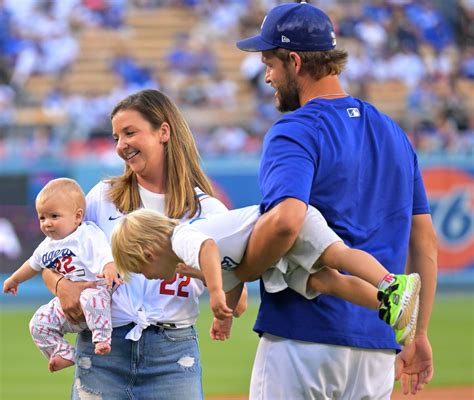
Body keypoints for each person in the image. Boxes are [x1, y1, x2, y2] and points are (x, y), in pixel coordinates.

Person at [235, 2, 438, 399]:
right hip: (376, 348)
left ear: (294, 61)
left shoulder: (294, 129)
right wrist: (418, 331)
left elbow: (286, 221)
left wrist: (242, 270)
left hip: (303, 337)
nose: (268, 77)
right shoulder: (394, 133)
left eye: (270, 64)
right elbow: (425, 241)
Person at [41, 89, 230, 400]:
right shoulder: (101, 198)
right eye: (116, 137)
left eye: (130, 132)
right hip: (102, 351)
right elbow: (49, 258)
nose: (121, 146)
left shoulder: (208, 211)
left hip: (173, 354)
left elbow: (236, 281)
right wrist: (62, 285)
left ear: (163, 132)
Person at [111, 205, 420, 344]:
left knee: (335, 255)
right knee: (325, 282)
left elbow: (209, 249)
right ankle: (390, 308)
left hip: (287, 222)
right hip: (275, 255)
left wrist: (215, 293)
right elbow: (233, 274)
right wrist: (225, 314)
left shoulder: (183, 237)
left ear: (149, 253)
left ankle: (392, 283)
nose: (149, 277)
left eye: (141, 270)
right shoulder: (186, 262)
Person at [3, 178, 122, 372]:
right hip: (67, 302)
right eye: (42, 218)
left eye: (54, 216)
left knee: (92, 297)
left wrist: (109, 269)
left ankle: (101, 338)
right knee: (38, 322)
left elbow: (104, 255)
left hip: (95, 292)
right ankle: (63, 352)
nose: (47, 223)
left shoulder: (87, 235)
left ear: (77, 216)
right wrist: (14, 279)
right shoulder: (47, 245)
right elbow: (32, 265)